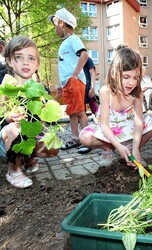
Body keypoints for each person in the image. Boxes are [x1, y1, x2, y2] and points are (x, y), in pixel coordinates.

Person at [79, 47, 152, 167]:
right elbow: (104, 125)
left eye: (136, 78)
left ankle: (132, 151)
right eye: (126, 77)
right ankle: (109, 149)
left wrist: (136, 148)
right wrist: (118, 146)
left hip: (128, 126)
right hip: (109, 128)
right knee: (85, 137)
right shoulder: (105, 91)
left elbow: (138, 122)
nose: (131, 83)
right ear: (114, 73)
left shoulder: (137, 93)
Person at [1, 36, 59, 188]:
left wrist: (39, 119)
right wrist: (10, 117)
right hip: (8, 135)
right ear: (9, 61)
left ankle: (27, 158)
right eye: (19, 57)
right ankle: (14, 170)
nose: (25, 62)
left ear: (37, 64)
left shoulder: (39, 89)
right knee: (16, 129)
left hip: (30, 133)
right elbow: (2, 115)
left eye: (31, 58)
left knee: (53, 147)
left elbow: (43, 119)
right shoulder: (7, 85)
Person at [49, 8, 89, 150]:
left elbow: (84, 55)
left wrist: (76, 75)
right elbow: (66, 66)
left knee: (79, 111)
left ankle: (86, 140)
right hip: (67, 83)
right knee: (71, 112)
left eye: (55, 25)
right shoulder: (64, 43)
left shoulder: (73, 39)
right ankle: (75, 139)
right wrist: (62, 84)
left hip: (75, 81)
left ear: (61, 23)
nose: (55, 29)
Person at [78, 57, 99, 154]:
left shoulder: (87, 59)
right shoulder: (74, 59)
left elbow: (92, 73)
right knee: (82, 113)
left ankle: (104, 132)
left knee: (97, 111)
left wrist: (93, 87)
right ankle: (85, 139)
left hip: (88, 88)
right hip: (79, 89)